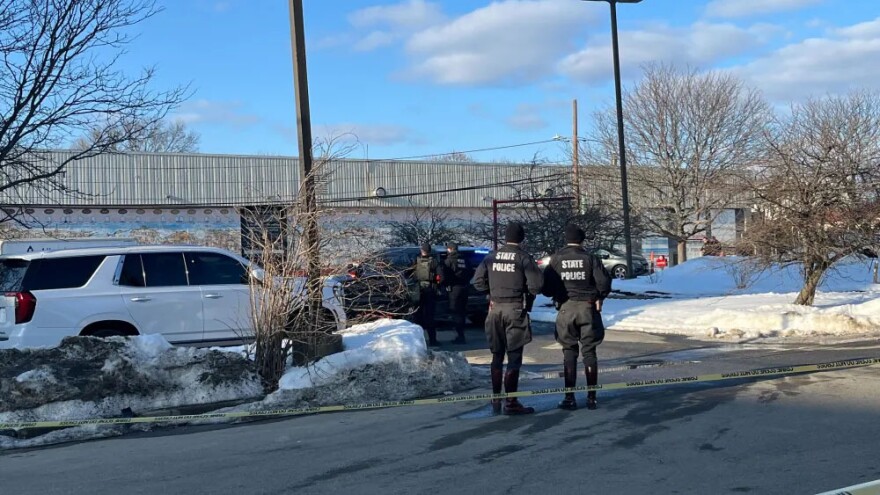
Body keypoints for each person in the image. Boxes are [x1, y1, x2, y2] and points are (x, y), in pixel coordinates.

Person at [473, 222, 543, 415]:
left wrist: (492, 292)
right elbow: (536, 286)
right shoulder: (523, 258)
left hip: (494, 309)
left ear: (505, 237)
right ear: (522, 238)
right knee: (513, 357)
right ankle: (511, 402)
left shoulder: (491, 257)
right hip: (514, 309)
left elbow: (477, 282)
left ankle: (496, 398)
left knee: (496, 355)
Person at [542, 225, 612, 411]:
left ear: (566, 239)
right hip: (588, 307)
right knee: (589, 352)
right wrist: (599, 297)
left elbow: (546, 286)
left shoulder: (556, 259)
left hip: (566, 308)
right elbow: (604, 282)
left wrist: (558, 293)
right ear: (582, 240)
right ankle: (591, 398)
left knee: (569, 352)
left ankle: (569, 398)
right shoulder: (590, 258)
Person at [441, 242, 470, 345]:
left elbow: (444, 276)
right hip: (465, 288)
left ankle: (460, 336)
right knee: (462, 312)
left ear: (450, 249)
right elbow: (470, 272)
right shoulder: (464, 260)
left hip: (454, 289)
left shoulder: (448, 261)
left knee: (455, 313)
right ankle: (461, 334)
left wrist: (443, 285)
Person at [413, 243, 440, 347]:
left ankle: (418, 342)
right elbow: (441, 276)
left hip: (418, 291)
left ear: (421, 250)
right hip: (430, 290)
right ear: (430, 251)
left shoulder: (416, 260)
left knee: (417, 316)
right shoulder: (433, 261)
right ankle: (433, 340)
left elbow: (408, 273)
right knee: (430, 316)